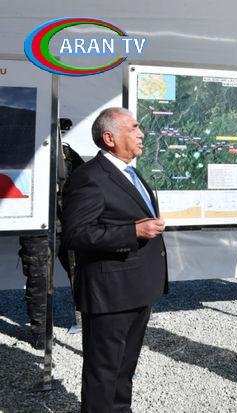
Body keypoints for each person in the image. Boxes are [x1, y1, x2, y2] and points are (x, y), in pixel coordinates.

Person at [61, 107, 168, 412]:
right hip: (109, 293)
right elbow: (76, 234)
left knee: (124, 368)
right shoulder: (89, 177)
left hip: (136, 287)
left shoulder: (130, 172)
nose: (141, 134)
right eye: (133, 128)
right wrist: (133, 231)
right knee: (104, 373)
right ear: (109, 138)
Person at [19, 135, 84, 350]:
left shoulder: (67, 154)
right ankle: (40, 332)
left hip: (69, 222)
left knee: (81, 273)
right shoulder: (24, 152)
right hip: (39, 226)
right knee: (39, 279)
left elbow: (86, 184)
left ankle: (84, 320)